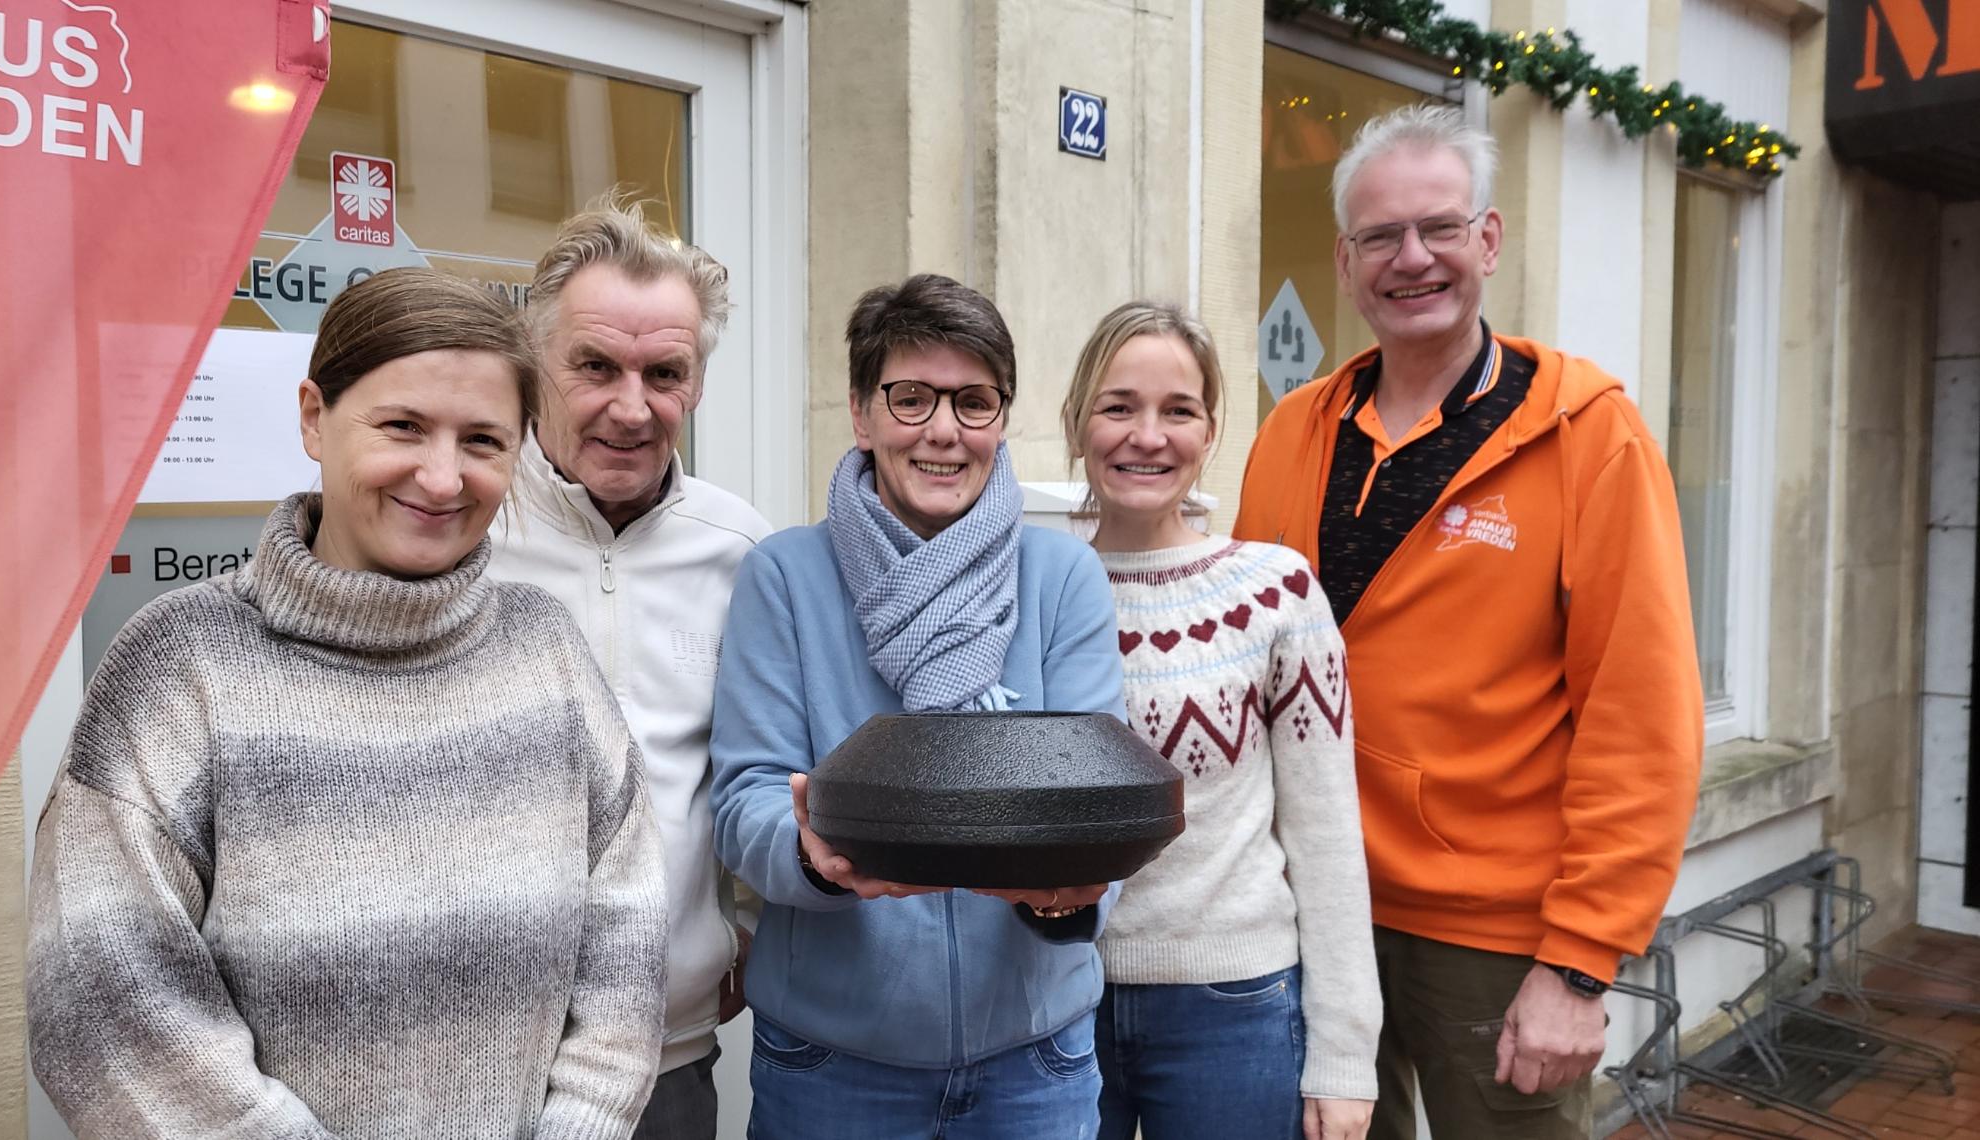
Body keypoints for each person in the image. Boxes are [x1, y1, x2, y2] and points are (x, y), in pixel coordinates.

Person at [28, 269, 667, 1139]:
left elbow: (626, 938)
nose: (441, 478)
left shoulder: (545, 650)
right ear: (313, 417)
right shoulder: (181, 665)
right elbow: (106, 1003)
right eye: (403, 426)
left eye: (482, 440)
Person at [1233, 104, 1703, 1140]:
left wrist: (1579, 963)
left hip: (1492, 941)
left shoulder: (1587, 436)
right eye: (1379, 237)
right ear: (1346, 263)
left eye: (1439, 227)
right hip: (1310, 911)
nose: (1412, 258)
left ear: (1487, 240)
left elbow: (1642, 716)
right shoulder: (1293, 431)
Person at [711, 273, 1125, 1140]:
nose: (944, 430)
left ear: (1001, 418)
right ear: (861, 415)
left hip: (1034, 1058)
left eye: (974, 401)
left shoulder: (1060, 579)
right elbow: (746, 798)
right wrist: (816, 858)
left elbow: (1102, 795)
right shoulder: (786, 577)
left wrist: (1066, 891)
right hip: (834, 1064)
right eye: (911, 398)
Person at [487, 196, 772, 1140]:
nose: (631, 406)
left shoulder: (741, 551)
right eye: (595, 366)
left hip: (667, 1057)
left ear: (698, 384)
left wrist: (744, 932)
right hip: (468, 1054)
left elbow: (762, 762)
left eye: (665, 374)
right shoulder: (462, 530)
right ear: (535, 362)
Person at [1061, 301, 1380, 1140]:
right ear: (1078, 421)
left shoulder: (1274, 592)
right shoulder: (1039, 592)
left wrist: (1345, 1058)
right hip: (1054, 1003)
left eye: (1178, 410)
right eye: (1119, 406)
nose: (1148, 436)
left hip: (1234, 1009)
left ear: (1209, 432)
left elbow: (1325, 833)